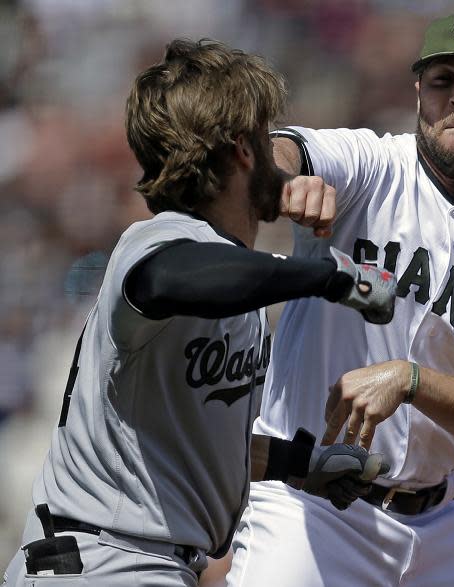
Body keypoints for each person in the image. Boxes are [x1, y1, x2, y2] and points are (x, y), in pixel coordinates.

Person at [1, 39, 395, 587]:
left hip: (141, 564)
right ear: (242, 151)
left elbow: (200, 446)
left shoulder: (231, 277)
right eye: (265, 135)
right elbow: (170, 278)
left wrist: (301, 466)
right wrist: (331, 278)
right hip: (99, 561)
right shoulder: (159, 242)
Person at [228, 10, 454, 587]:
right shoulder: (374, 168)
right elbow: (287, 148)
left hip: (441, 522)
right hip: (310, 507)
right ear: (419, 91)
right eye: (443, 80)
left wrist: (412, 379)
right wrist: (288, 177)